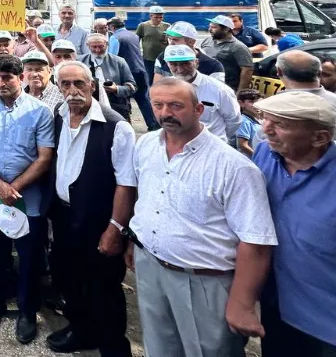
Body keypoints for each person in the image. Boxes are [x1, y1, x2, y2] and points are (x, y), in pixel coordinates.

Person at [128, 78, 277, 357]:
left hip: (204, 281)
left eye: (175, 105)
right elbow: (147, 199)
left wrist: (242, 304)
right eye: (158, 105)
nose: (165, 113)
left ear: (199, 110)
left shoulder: (233, 167)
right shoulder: (146, 145)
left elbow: (255, 242)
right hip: (150, 267)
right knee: (159, 348)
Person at [47, 61, 136, 357]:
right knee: (70, 279)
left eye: (79, 84)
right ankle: (81, 330)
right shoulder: (59, 117)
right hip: (64, 216)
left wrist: (115, 229)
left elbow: (126, 184)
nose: (72, 91)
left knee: (104, 287)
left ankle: (113, 347)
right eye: (66, 85)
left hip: (98, 221)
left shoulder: (116, 126)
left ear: (92, 86)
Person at [0, 54, 54, 340]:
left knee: (30, 257)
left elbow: (44, 158)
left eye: (7, 77)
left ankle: (27, 310)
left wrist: (14, 187)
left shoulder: (40, 111)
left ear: (20, 77)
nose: (1, 83)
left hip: (27, 199)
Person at [252, 91, 336, 356]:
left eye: (282, 124)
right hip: (275, 304)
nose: (267, 129)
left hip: (325, 322)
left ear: (320, 137)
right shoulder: (265, 152)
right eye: (265, 119)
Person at [162, 45, 241, 142]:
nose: (180, 69)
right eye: (174, 64)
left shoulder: (219, 89)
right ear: (168, 65)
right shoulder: (164, 88)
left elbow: (234, 120)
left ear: (196, 63)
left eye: (185, 64)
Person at [108, 17, 158, 131]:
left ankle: (126, 125)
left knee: (124, 99)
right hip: (141, 70)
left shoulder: (115, 37)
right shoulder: (133, 35)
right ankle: (153, 124)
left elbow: (112, 57)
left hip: (127, 72)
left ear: (112, 27)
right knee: (143, 99)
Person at [79, 34, 136, 119]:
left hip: (116, 107)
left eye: (101, 46)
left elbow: (132, 87)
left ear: (107, 44)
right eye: (94, 47)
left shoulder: (119, 62)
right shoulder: (80, 62)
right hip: (87, 107)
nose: (97, 50)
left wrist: (116, 89)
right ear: (88, 46)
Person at [153, 21, 225, 82]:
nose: (170, 43)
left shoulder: (213, 66)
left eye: (175, 40)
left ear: (191, 42)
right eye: (169, 39)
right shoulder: (162, 57)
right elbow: (157, 85)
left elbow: (217, 94)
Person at [202, 15, 254, 92]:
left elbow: (247, 71)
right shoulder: (207, 41)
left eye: (214, 27)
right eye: (210, 26)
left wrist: (240, 94)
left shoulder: (238, 47)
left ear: (226, 29)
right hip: (206, 87)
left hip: (225, 90)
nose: (210, 30)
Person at [135, 5, 170, 86]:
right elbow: (136, 41)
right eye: (156, 17)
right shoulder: (143, 26)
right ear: (150, 16)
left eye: (161, 17)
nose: (159, 19)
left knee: (164, 79)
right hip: (149, 58)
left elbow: (170, 41)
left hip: (163, 58)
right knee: (149, 78)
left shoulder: (167, 26)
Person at [234, 89, 263, 157]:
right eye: (251, 102)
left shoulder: (261, 119)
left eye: (258, 101)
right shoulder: (244, 121)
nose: (256, 105)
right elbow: (243, 145)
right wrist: (258, 158)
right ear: (241, 103)